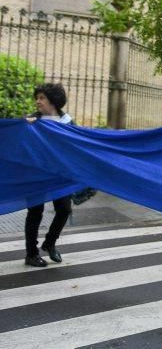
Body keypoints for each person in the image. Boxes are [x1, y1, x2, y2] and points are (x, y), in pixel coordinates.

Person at [23, 83, 75, 267]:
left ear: (53, 101)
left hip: (59, 175)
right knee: (35, 212)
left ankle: (50, 243)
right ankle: (31, 254)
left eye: (42, 98)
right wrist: (25, 125)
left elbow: (77, 146)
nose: (38, 101)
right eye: (37, 98)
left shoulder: (67, 122)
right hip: (35, 174)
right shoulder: (31, 121)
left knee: (64, 209)